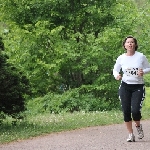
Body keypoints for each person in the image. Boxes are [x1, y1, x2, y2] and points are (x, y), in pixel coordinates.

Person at [113, 35, 150, 142]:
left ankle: (138, 127)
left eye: (132, 42)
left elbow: (149, 67)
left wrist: (144, 71)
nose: (130, 44)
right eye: (128, 42)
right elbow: (115, 70)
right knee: (126, 111)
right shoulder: (121, 58)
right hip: (125, 86)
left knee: (135, 111)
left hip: (138, 87)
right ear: (124, 45)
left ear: (135, 44)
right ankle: (130, 134)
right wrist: (117, 75)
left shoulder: (141, 56)